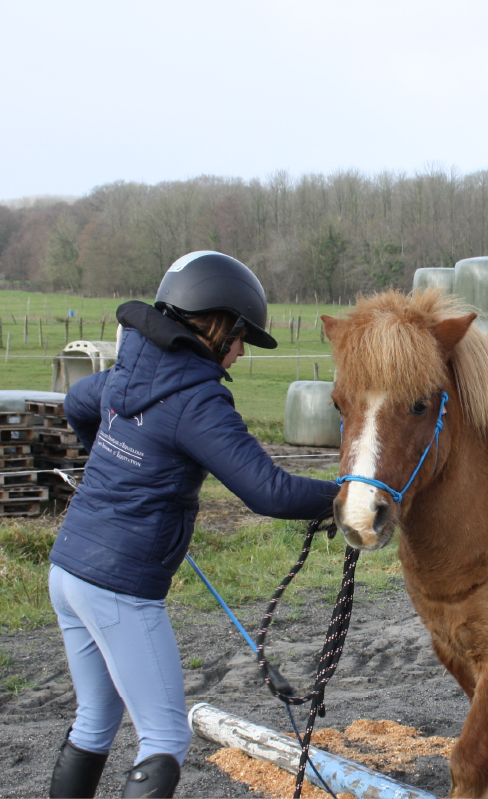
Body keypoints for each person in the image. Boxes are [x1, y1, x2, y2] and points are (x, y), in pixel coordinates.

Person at [46, 252, 339, 798]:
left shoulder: (126, 372)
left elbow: (76, 403)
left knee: (95, 718)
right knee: (163, 738)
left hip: (69, 572)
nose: (242, 350)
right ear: (218, 325)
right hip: (119, 587)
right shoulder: (197, 400)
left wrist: (105, 464)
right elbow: (269, 492)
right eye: (241, 335)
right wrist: (348, 498)